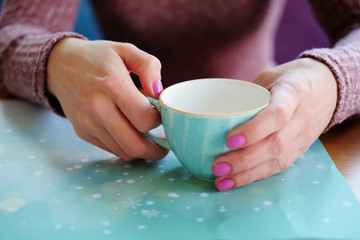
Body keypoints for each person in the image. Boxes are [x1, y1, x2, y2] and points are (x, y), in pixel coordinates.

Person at [0, 0, 359, 192]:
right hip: (123, 124)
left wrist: (331, 78)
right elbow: (13, 33)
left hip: (272, 119)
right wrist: (56, 60)